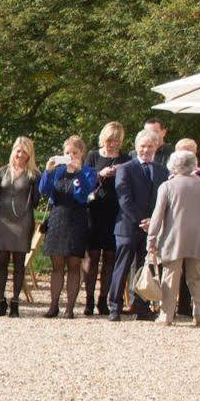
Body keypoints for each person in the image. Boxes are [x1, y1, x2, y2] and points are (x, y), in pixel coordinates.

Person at [148, 150, 200, 326]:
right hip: (199, 234)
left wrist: (151, 238)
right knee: (197, 275)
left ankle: (166, 315)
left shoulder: (167, 186)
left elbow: (157, 215)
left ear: (172, 166)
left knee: (170, 275)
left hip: (173, 236)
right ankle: (198, 313)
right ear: (193, 165)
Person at [38, 136, 97, 318]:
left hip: (77, 219)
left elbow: (83, 195)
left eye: (75, 153)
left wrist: (77, 173)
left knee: (73, 264)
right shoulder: (58, 171)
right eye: (67, 153)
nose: (70, 156)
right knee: (57, 265)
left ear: (82, 154)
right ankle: (53, 305)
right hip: (57, 218)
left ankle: (70, 308)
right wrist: (48, 172)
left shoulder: (89, 172)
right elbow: (44, 191)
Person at [108, 130, 164, 322]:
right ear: (136, 147)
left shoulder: (162, 170)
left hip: (151, 228)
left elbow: (162, 201)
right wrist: (143, 222)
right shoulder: (125, 168)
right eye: (142, 146)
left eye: (149, 146)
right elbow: (124, 199)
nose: (146, 150)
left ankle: (142, 307)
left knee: (144, 268)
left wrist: (154, 222)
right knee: (122, 267)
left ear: (156, 147)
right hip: (128, 226)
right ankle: (114, 306)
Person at [0, 136, 39, 317]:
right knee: (1, 261)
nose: (20, 154)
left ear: (29, 155)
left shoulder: (33, 174)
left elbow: (35, 202)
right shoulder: (2, 171)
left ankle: (16, 301)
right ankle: (1, 299)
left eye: (24, 152)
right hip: (2, 220)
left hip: (23, 221)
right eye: (18, 150)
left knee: (19, 262)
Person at [85, 122, 129, 316]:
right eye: (110, 140)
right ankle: (89, 299)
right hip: (94, 211)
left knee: (110, 258)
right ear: (104, 139)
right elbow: (83, 180)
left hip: (115, 213)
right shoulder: (93, 156)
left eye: (117, 141)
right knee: (92, 257)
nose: (113, 145)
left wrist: (121, 173)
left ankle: (104, 299)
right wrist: (99, 174)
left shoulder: (125, 158)